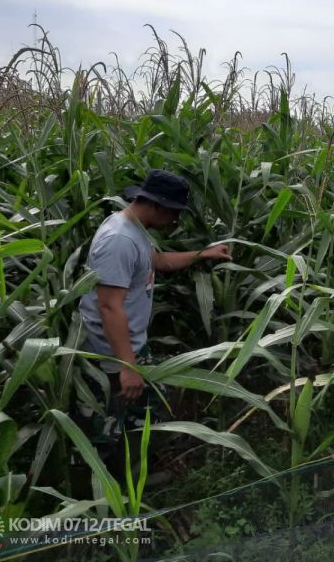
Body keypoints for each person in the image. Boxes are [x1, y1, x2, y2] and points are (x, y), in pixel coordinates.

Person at [75, 169, 231, 477]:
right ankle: (107, 498)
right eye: (174, 213)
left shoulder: (136, 230)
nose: (176, 222)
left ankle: (131, 475)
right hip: (110, 356)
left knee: (147, 409)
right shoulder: (119, 240)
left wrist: (203, 254)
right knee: (106, 430)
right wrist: (128, 367)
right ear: (155, 205)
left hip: (129, 347)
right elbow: (108, 306)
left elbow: (157, 262)